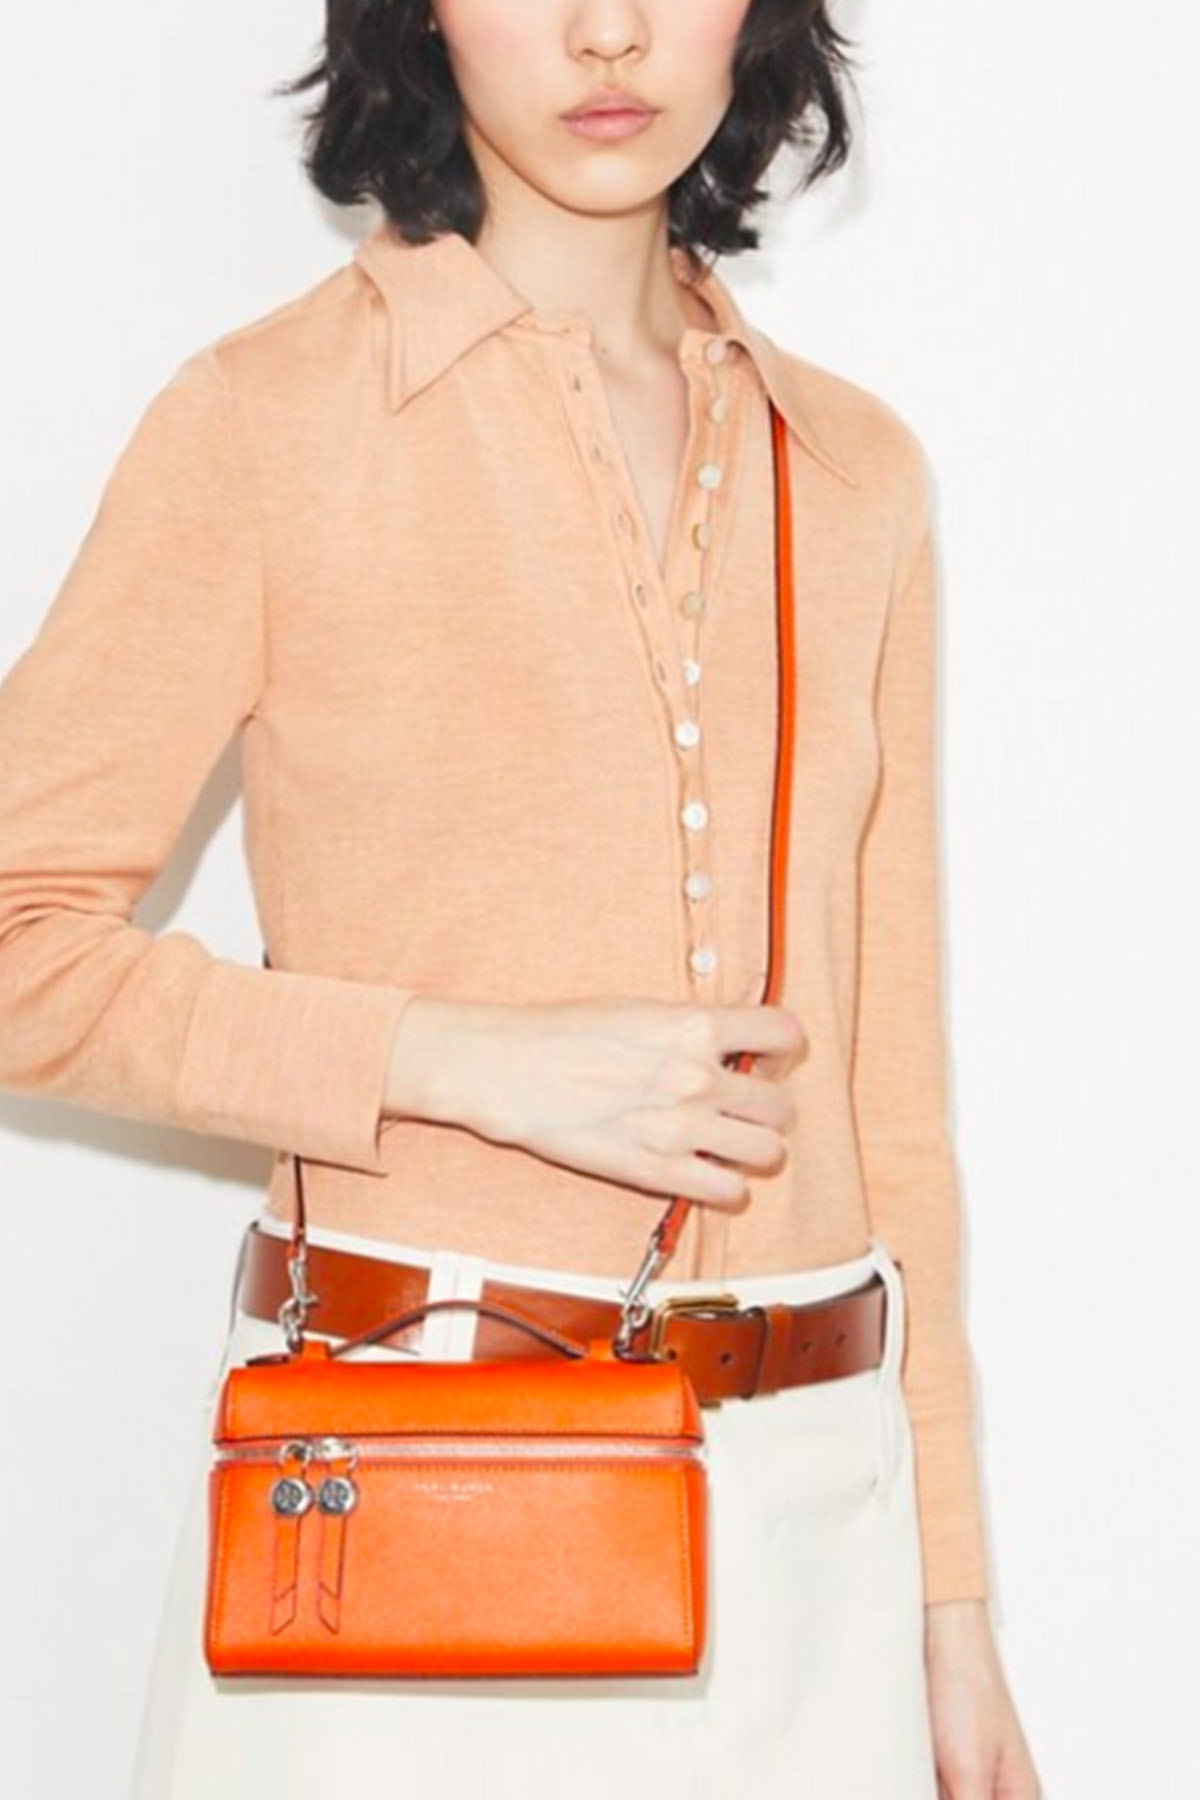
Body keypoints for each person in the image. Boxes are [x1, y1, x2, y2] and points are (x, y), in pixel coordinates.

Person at [0, 2, 1041, 1796]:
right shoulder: (268, 421)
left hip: (814, 1546)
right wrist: (454, 1058)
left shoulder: (854, 472)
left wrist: (953, 1606)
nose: (608, 32)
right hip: (404, 1499)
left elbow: (892, 1097)